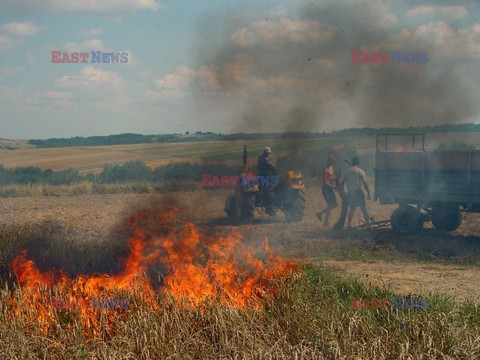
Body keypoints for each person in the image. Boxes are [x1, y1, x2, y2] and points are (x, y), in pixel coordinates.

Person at [341, 157, 371, 228]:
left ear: (352, 162)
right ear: (358, 163)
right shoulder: (360, 171)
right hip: (357, 191)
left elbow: (342, 183)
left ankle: (348, 225)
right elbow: (365, 183)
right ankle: (368, 225)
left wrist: (344, 193)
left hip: (350, 192)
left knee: (351, 208)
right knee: (363, 208)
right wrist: (368, 193)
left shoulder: (347, 172)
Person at [316, 155, 337, 226]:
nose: (332, 163)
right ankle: (326, 222)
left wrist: (336, 178)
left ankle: (319, 213)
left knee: (334, 205)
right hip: (325, 188)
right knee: (330, 204)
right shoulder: (325, 169)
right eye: (331, 162)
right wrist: (333, 186)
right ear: (328, 161)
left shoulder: (331, 168)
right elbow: (325, 181)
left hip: (330, 188)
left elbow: (331, 177)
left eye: (333, 162)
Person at [257, 147, 276, 216]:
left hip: (266, 177)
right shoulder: (262, 158)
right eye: (267, 153)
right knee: (268, 191)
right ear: (265, 152)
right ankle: (269, 208)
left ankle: (270, 206)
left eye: (269, 153)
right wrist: (274, 168)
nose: (268, 154)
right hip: (263, 177)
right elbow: (269, 165)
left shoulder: (263, 158)